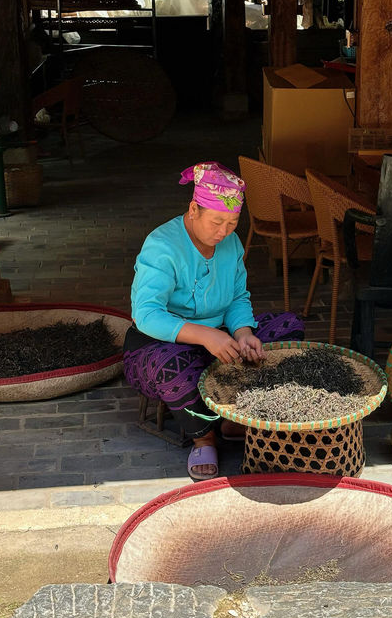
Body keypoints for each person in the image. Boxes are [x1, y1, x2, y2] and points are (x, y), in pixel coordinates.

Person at [123, 161, 304, 480]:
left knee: (289, 326)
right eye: (217, 222)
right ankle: (204, 438)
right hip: (162, 343)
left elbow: (237, 297)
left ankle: (234, 417)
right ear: (194, 209)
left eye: (232, 223)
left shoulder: (230, 244)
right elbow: (147, 314)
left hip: (221, 338)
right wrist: (206, 336)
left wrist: (243, 332)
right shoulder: (162, 246)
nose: (223, 232)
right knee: (174, 369)